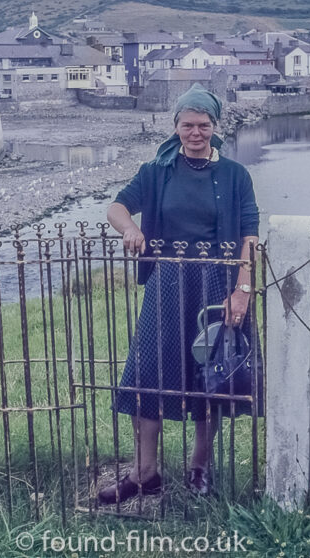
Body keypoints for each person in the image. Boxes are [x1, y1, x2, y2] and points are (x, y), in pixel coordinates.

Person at [98, 83, 259, 505]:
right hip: (166, 286)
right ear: (175, 127)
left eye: (203, 125)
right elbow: (116, 207)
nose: (195, 133)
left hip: (216, 289)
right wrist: (131, 228)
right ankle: (145, 473)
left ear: (214, 127)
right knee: (148, 377)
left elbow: (250, 236)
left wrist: (242, 289)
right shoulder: (155, 171)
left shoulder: (236, 176)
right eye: (188, 125)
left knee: (211, 379)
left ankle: (199, 469)